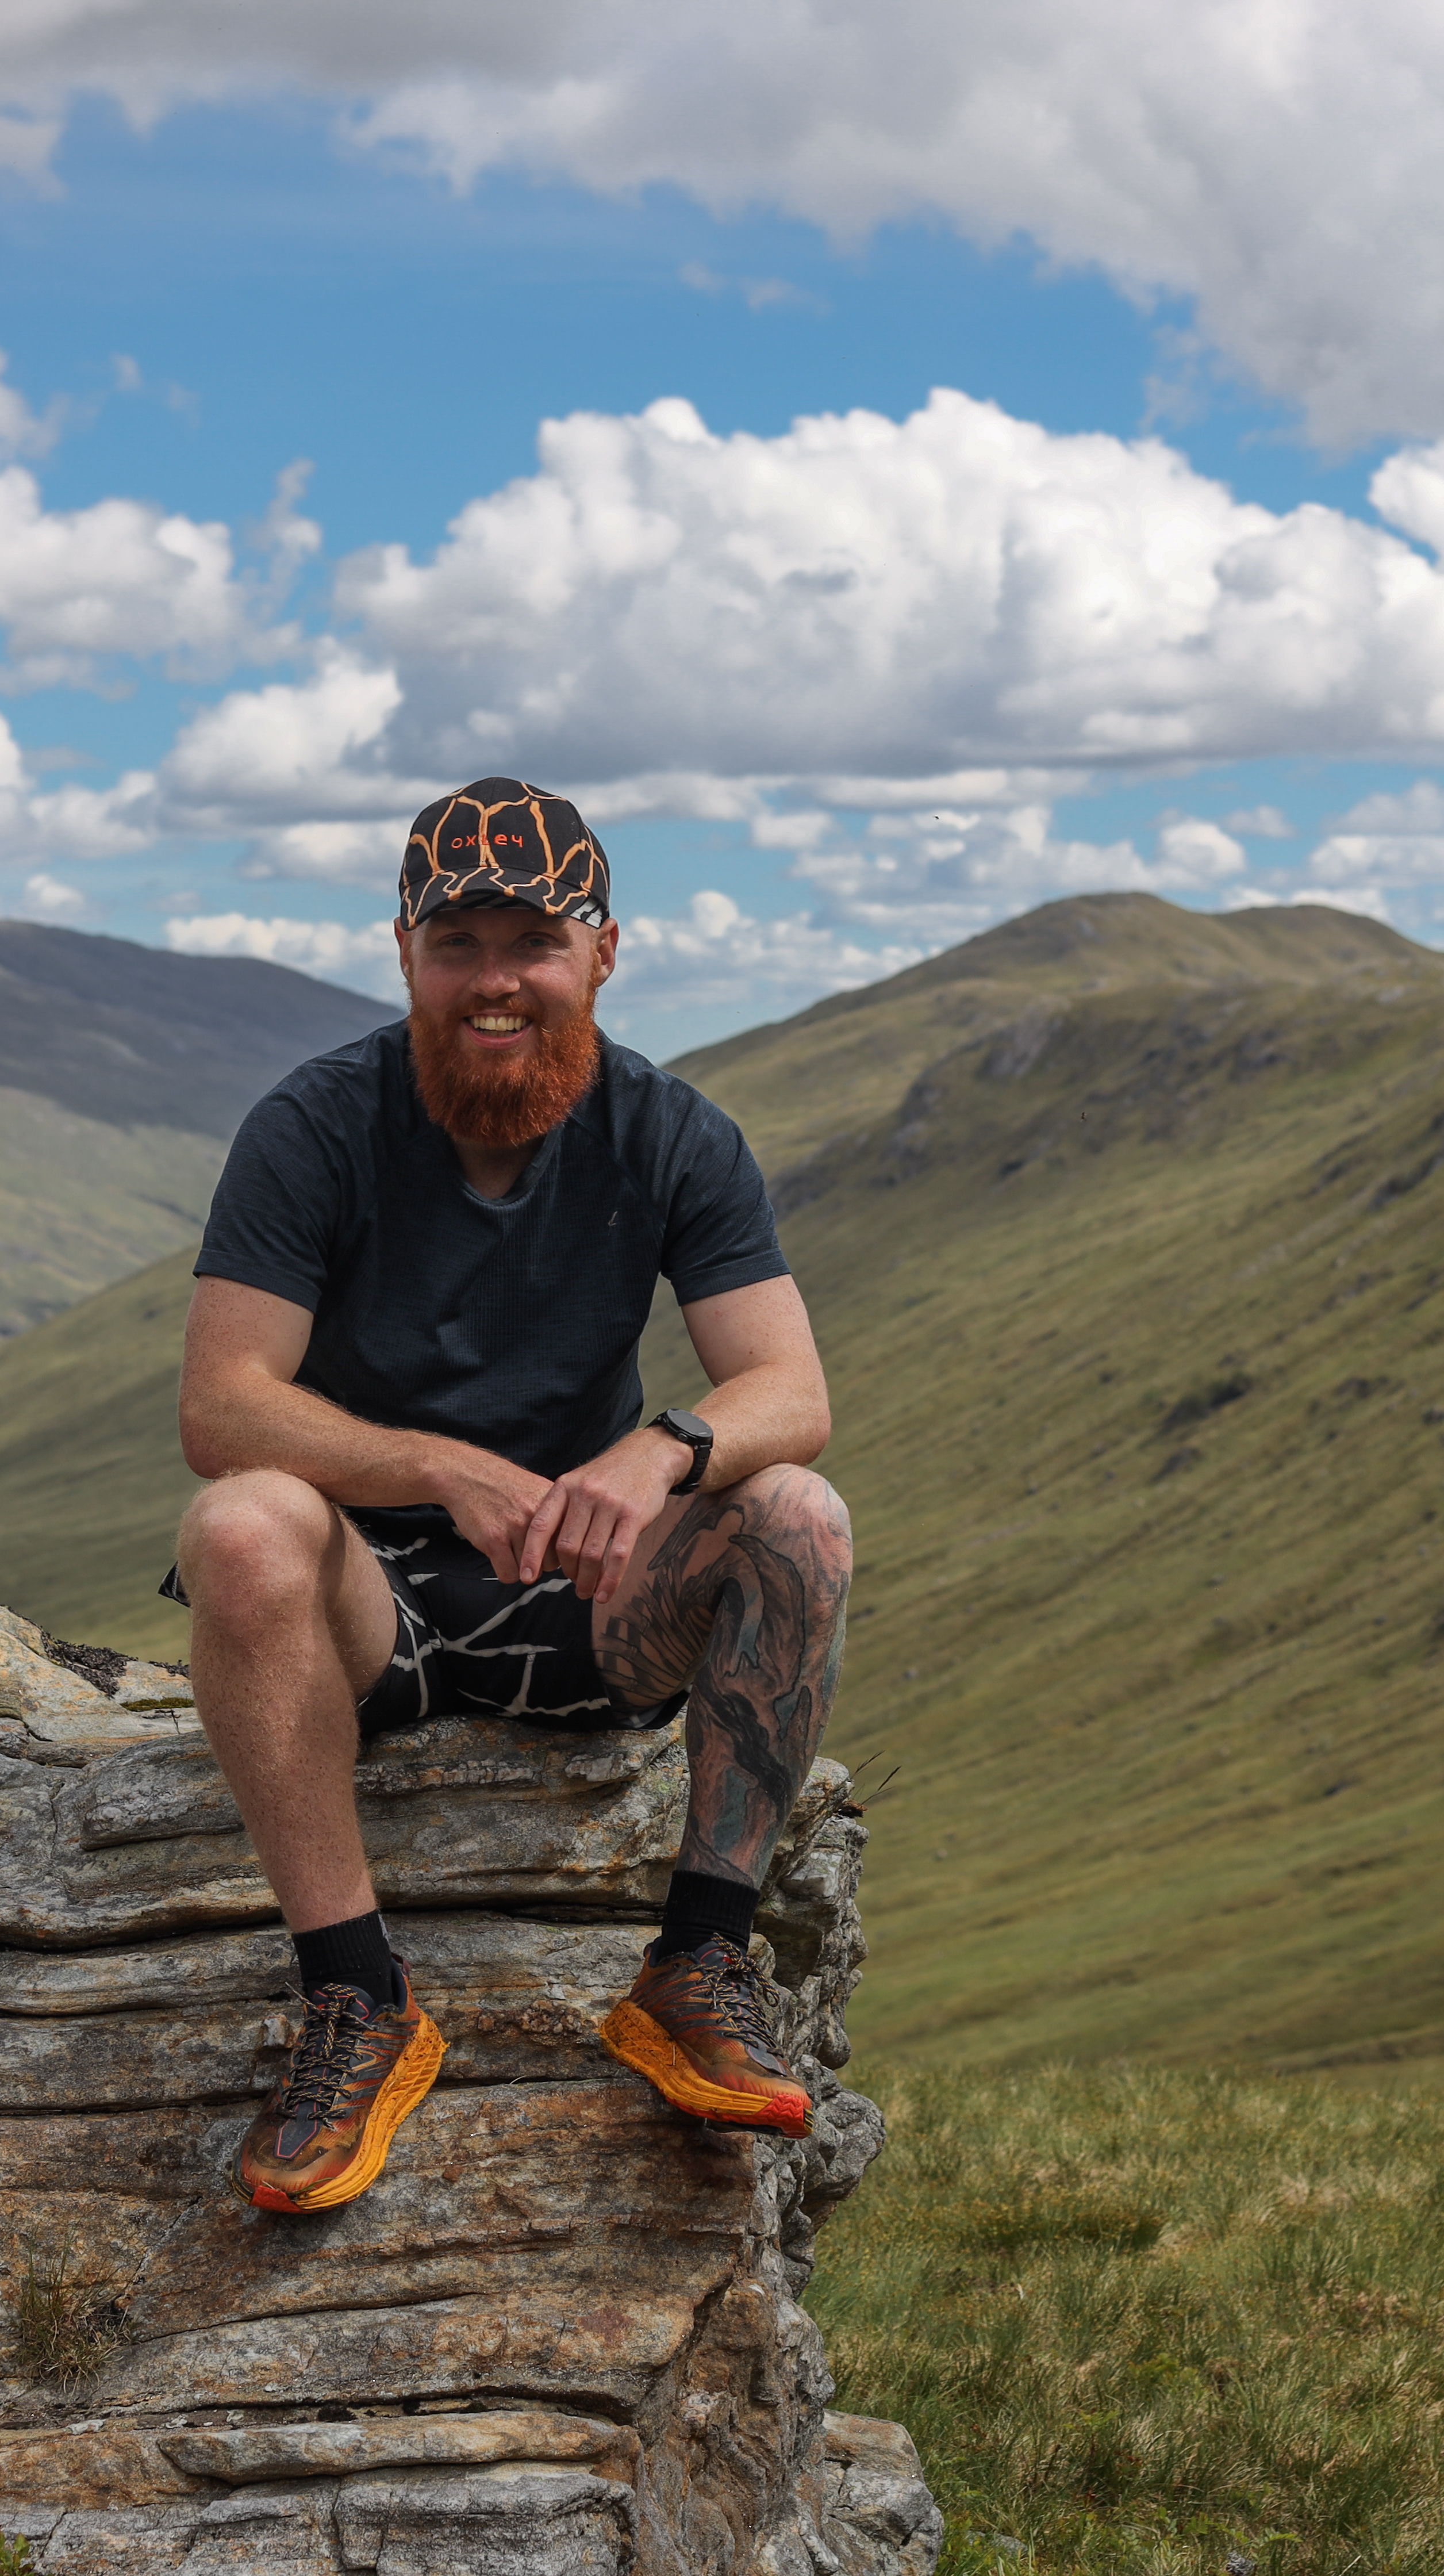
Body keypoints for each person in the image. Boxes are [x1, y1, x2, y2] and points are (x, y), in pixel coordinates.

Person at [167, 777, 857, 2214]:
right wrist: (431, 1464)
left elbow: (790, 1391)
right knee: (240, 1524)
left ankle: (694, 1964)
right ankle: (359, 2001)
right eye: (458, 941)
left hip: (586, 1599)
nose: (497, 981)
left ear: (603, 950)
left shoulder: (673, 1134)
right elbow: (222, 1405)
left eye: (532, 940)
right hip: (371, 1603)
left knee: (799, 1509)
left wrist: (662, 1445)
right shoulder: (316, 1124)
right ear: (405, 952)